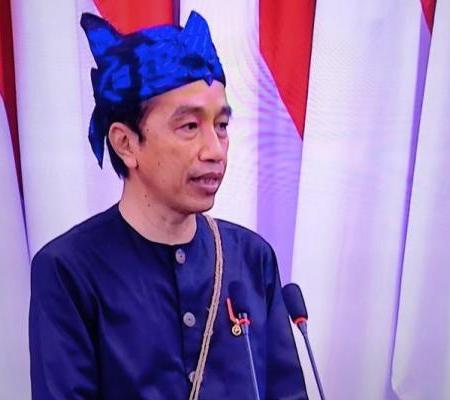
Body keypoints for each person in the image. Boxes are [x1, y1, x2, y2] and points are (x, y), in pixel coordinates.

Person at [29, 10, 308, 400]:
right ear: (126, 143)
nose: (215, 150)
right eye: (189, 126)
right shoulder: (69, 271)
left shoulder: (252, 258)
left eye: (221, 126)